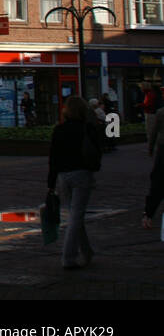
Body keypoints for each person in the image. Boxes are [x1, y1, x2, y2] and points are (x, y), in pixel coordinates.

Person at [47, 95, 101, 270]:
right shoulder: (87, 128)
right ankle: (68, 257)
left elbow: (53, 158)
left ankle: (87, 251)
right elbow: (98, 150)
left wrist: (51, 182)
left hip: (64, 176)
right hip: (82, 174)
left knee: (75, 214)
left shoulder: (59, 130)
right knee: (76, 215)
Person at [143, 104, 164, 230]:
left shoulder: (160, 112)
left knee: (158, 183)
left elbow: (154, 132)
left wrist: (150, 149)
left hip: (163, 149)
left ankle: (148, 214)